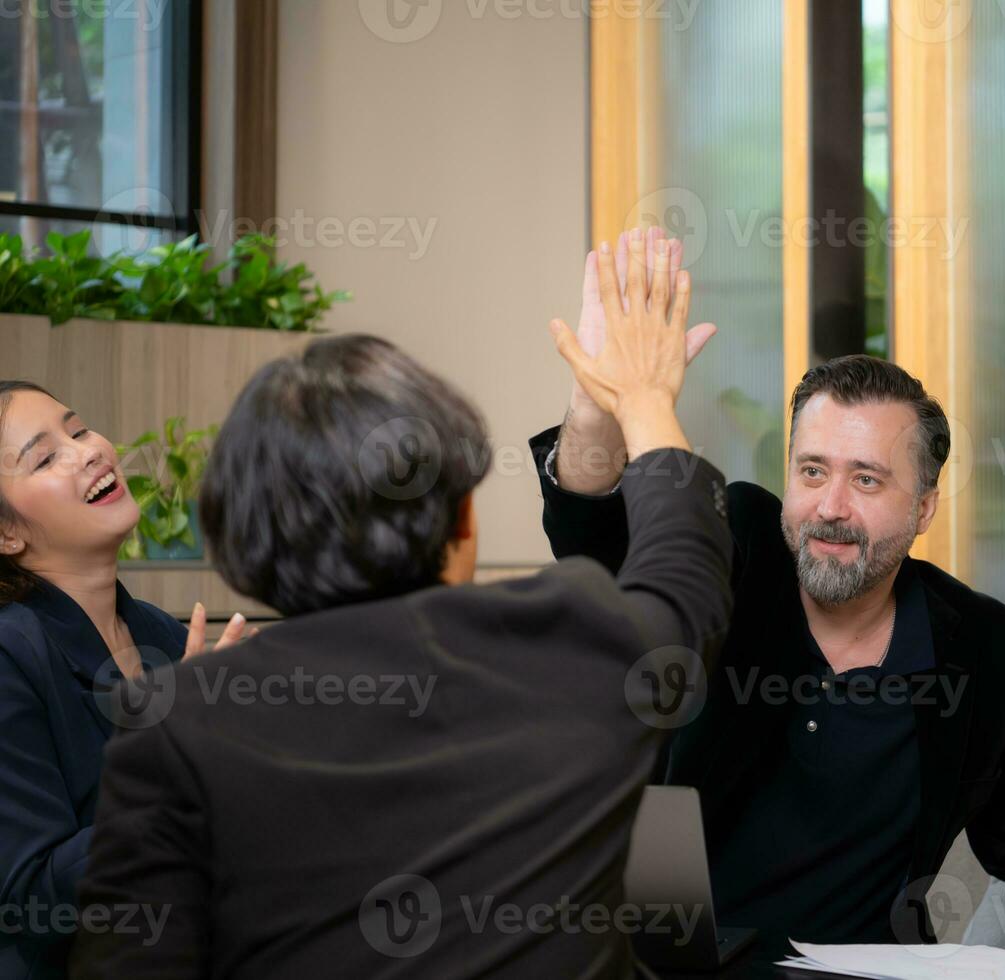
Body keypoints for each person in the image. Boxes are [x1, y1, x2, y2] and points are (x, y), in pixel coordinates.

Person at [69, 234, 734, 978]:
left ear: (246, 542)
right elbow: (687, 575)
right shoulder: (571, 645)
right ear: (463, 523)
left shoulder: (176, 729)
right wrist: (642, 401)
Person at [532, 229, 1005, 960]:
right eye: (810, 471)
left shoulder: (985, 647)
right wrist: (593, 405)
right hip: (682, 967)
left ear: (924, 508)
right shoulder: (735, 547)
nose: (830, 505)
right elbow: (595, 540)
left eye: (866, 479)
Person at [0, 382, 249, 979]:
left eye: (80, 429)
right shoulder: (10, 655)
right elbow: (35, 903)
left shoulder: (161, 634)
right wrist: (174, 755)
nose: (88, 451)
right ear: (7, 535)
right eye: (44, 456)